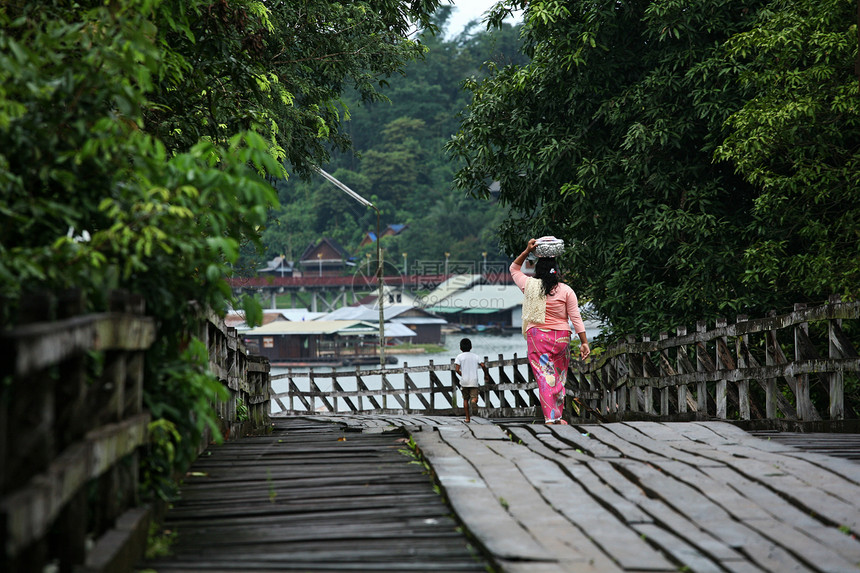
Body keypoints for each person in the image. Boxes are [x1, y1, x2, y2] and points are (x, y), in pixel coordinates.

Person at [510, 238, 590, 424]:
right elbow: (575, 318)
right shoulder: (566, 290)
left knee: (544, 377)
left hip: (538, 337)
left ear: (538, 270)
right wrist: (584, 342)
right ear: (557, 272)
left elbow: (513, 269)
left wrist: (527, 250)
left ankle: (550, 418)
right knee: (559, 376)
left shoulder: (530, 287)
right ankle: (558, 415)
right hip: (561, 337)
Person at [454, 338, 482, 423]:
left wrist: (462, 374)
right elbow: (483, 365)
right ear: (471, 347)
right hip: (473, 381)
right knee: (475, 397)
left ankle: (467, 418)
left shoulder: (459, 357)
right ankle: (474, 402)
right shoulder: (475, 356)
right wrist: (486, 374)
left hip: (464, 382)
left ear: (460, 348)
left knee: (465, 399)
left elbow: (457, 369)